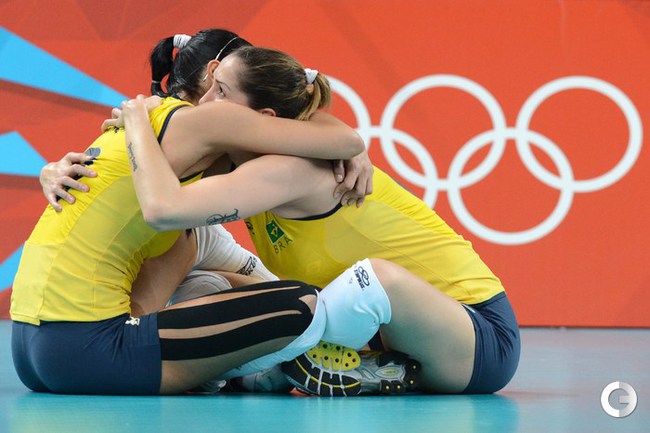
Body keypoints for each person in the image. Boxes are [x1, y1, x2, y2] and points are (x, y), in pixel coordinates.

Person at [114, 45, 521, 396]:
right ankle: (288, 366)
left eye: (220, 92)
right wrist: (82, 162)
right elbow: (150, 179)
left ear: (264, 115)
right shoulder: (246, 160)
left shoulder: (289, 170)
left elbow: (163, 208)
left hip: (476, 338)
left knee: (376, 279)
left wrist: (137, 124)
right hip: (393, 341)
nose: (202, 105)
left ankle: (262, 369)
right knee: (218, 284)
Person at [10, 29, 381, 395]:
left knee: (203, 269)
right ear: (212, 72)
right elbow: (342, 139)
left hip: (31, 349)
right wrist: (354, 150)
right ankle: (259, 372)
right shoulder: (207, 120)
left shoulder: (150, 128)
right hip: (89, 350)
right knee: (301, 303)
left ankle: (244, 371)